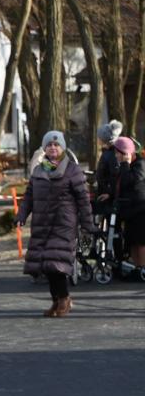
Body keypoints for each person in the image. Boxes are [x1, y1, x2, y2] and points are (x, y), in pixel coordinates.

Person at [16, 131, 94, 317]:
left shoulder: (72, 170)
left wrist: (87, 224)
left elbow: (83, 199)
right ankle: (56, 300)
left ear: (62, 148)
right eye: (49, 145)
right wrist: (22, 214)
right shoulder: (38, 170)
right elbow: (29, 195)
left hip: (63, 223)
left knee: (55, 263)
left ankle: (64, 299)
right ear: (44, 148)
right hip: (42, 223)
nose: (53, 148)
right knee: (46, 265)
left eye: (56, 145)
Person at [110, 135, 145, 268]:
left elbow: (128, 181)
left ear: (126, 153)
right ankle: (137, 268)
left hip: (140, 210)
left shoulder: (140, 165)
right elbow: (119, 185)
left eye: (118, 153)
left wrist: (125, 164)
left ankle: (142, 269)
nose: (116, 156)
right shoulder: (125, 166)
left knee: (140, 243)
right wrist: (110, 194)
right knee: (132, 242)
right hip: (130, 211)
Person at [94, 120, 123, 214]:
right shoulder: (107, 152)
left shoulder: (112, 155)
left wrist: (110, 193)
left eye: (99, 137)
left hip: (109, 199)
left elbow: (116, 176)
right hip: (105, 195)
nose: (97, 139)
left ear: (104, 139)